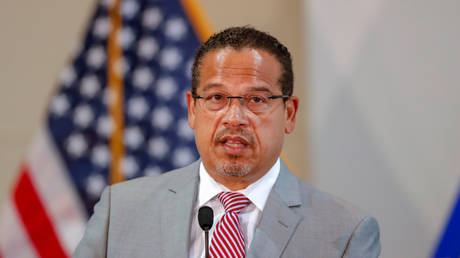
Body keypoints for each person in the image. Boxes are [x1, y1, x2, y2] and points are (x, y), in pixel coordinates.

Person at [73, 26, 381, 258]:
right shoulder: (122, 210)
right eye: (217, 97)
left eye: (257, 99)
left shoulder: (346, 232)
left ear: (289, 113)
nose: (235, 118)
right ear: (193, 109)